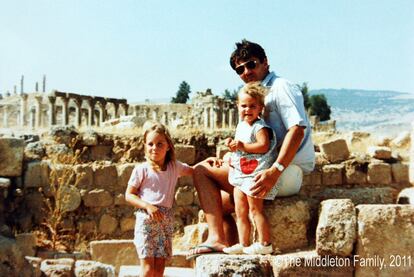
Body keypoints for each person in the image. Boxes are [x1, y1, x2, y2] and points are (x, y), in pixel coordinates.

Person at [188, 39, 315, 257]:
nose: (246, 71)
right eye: (240, 69)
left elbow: (297, 130)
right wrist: (231, 157)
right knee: (222, 205)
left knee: (201, 170)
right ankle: (236, 251)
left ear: (265, 62)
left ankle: (217, 239)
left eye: (251, 64)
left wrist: (275, 171)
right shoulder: (255, 94)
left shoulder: (280, 87)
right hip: (265, 167)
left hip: (284, 170)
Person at [125, 121, 193, 277]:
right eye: (150, 144)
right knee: (148, 270)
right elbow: (129, 194)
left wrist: (209, 163)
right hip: (146, 221)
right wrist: (147, 206)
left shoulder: (174, 167)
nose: (154, 148)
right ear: (145, 146)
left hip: (165, 222)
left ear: (168, 146)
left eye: (160, 144)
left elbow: (194, 170)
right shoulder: (141, 169)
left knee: (159, 271)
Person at [222, 82, 277, 255]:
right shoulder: (241, 126)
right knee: (240, 210)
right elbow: (240, 146)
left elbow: (263, 146)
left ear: (260, 107)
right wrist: (232, 145)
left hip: (255, 174)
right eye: (244, 106)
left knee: (255, 209)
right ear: (237, 106)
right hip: (241, 174)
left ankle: (265, 243)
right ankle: (243, 243)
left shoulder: (260, 127)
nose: (248, 110)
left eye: (252, 106)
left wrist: (243, 146)